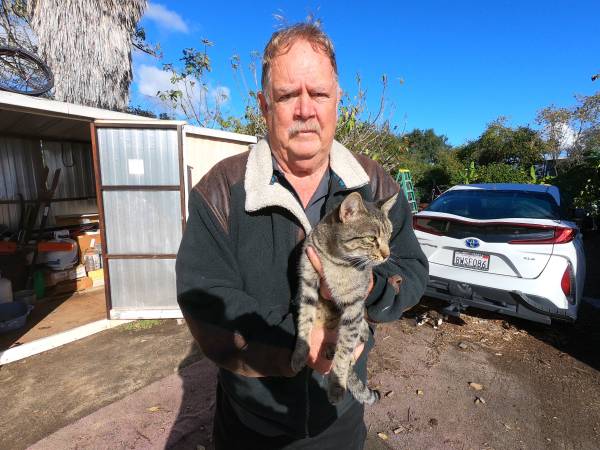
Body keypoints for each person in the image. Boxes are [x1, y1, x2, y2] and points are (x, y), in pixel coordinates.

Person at [175, 23, 429, 450]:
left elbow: (413, 268)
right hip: (250, 427)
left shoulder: (374, 184)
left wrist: (370, 286)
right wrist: (293, 341)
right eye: (288, 95)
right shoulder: (220, 190)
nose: (306, 110)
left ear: (338, 100)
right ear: (264, 105)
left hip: (341, 421)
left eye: (320, 94)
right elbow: (203, 297)